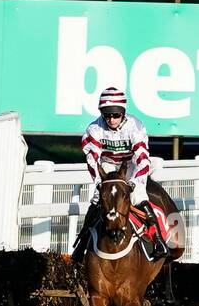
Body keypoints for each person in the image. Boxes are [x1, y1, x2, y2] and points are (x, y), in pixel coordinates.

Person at [71, 87, 169, 263]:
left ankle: (158, 241)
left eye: (115, 115)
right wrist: (99, 182)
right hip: (108, 165)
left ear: (123, 113)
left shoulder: (135, 126)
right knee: (96, 198)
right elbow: (92, 159)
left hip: (130, 165)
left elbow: (142, 159)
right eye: (107, 115)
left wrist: (133, 182)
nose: (111, 119)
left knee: (139, 196)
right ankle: (82, 243)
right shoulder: (94, 128)